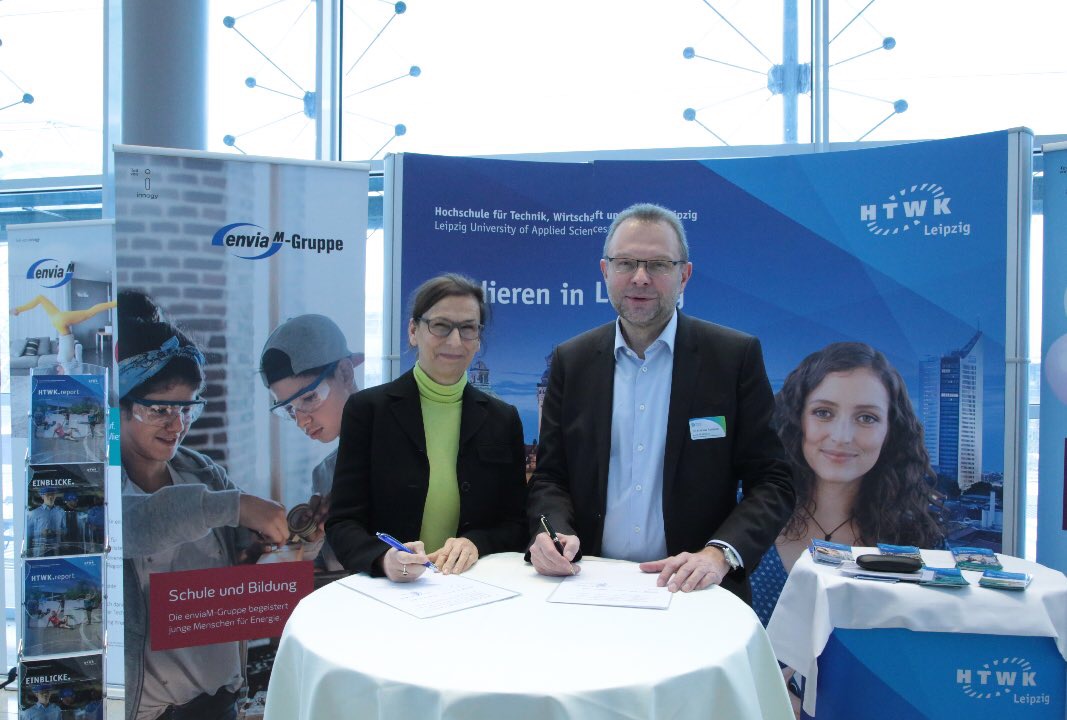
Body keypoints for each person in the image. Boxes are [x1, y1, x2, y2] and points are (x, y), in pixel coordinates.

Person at [527, 203, 795, 600]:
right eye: (626, 264)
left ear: (684, 275)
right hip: (586, 582)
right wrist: (551, 532)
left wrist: (718, 554)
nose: (640, 278)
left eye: (658, 265)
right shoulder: (572, 360)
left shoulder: (733, 358)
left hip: (696, 588)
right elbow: (550, 476)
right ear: (605, 272)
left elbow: (773, 481)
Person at [118, 289, 289, 720]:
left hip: (218, 706)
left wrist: (263, 555)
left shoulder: (199, 471)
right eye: (160, 409)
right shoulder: (102, 490)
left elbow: (224, 571)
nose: (177, 424)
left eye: (188, 406)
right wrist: (236, 505)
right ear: (119, 404)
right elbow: (133, 527)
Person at [327, 273, 527, 581]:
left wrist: (477, 543)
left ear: (478, 339)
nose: (455, 341)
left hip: (475, 587)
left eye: (468, 328)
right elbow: (342, 523)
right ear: (413, 331)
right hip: (392, 591)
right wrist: (382, 558)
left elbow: (515, 523)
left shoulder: (503, 419)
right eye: (441, 326)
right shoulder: (367, 411)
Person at [750, 341, 944, 625]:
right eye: (823, 413)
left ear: (890, 431)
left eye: (866, 418)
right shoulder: (744, 518)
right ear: (796, 419)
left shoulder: (921, 540)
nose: (841, 436)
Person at [259, 314, 365, 571]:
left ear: (345, 372)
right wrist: (312, 541)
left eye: (308, 398)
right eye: (290, 410)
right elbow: (330, 570)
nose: (301, 421)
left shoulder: (413, 445)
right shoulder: (326, 474)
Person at [11, 295, 116, 363]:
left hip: (60, 321)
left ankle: (115, 303)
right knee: (40, 298)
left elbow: (67, 363)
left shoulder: (63, 359)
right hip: (56, 318)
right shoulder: (63, 359)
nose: (58, 371)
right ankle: (18, 309)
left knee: (89, 312)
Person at [26, 487, 67, 557]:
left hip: (56, 550)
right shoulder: (34, 513)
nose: (50, 497)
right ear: (42, 496)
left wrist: (55, 532)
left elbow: (65, 530)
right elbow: (28, 534)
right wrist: (41, 533)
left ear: (55, 496)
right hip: (40, 551)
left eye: (52, 494)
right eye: (47, 495)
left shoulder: (61, 512)